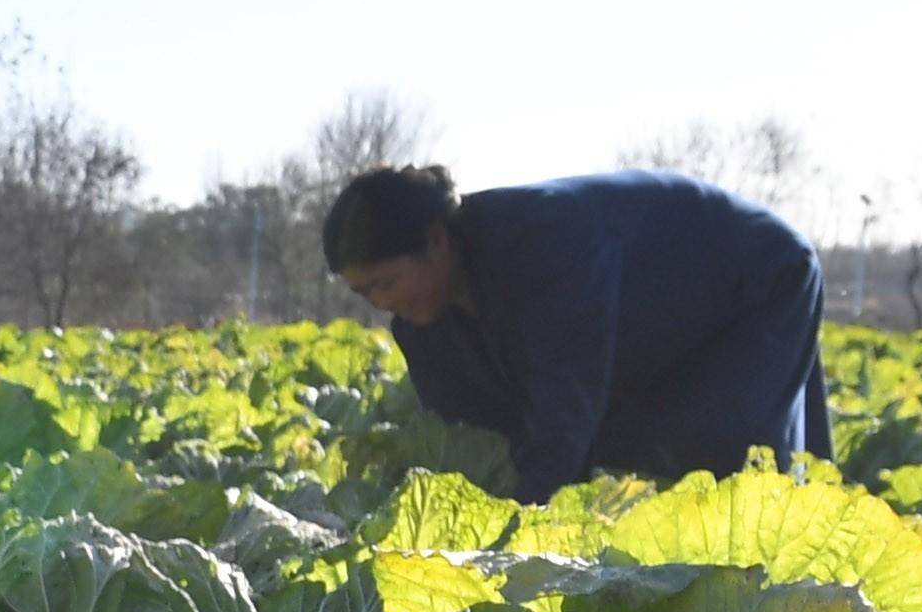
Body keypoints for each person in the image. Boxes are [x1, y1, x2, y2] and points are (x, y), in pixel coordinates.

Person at [318, 159, 832, 501]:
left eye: (388, 282)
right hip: (655, 328)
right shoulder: (422, 327)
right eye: (368, 294)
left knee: (726, 454)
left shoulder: (544, 243)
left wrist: (523, 528)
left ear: (435, 241)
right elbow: (477, 440)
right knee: (624, 450)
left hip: (755, 282)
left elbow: (565, 410)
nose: (385, 303)